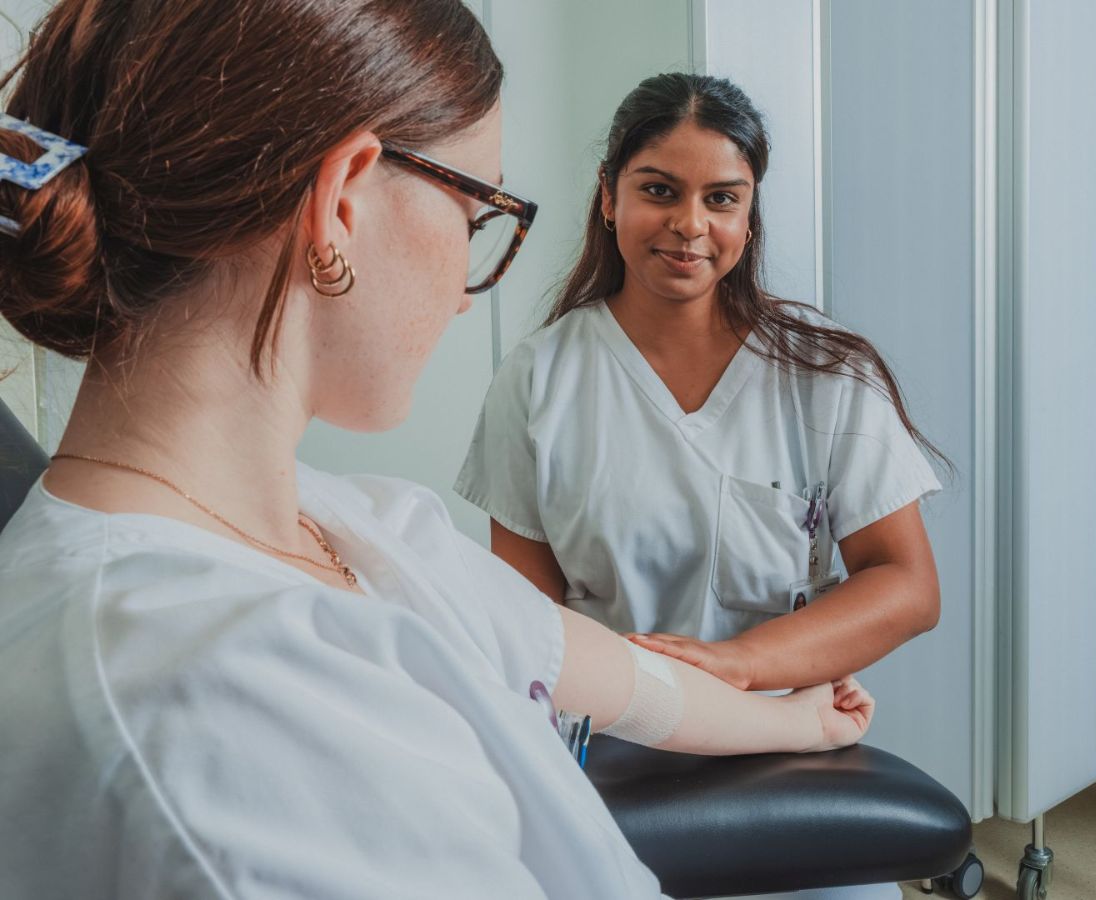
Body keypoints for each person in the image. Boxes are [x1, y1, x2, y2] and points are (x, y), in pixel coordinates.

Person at [0, 4, 876, 898]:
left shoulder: (352, 521)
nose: (465, 292)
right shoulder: (231, 703)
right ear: (341, 203)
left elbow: (618, 677)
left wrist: (804, 724)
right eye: (477, 211)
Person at [455, 73, 946, 899]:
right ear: (609, 198)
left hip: (791, 749)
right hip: (612, 755)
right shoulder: (539, 380)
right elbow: (522, 626)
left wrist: (741, 665)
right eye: (659, 191)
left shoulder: (825, 373)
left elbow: (907, 585)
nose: (691, 225)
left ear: (749, 216)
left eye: (723, 198)